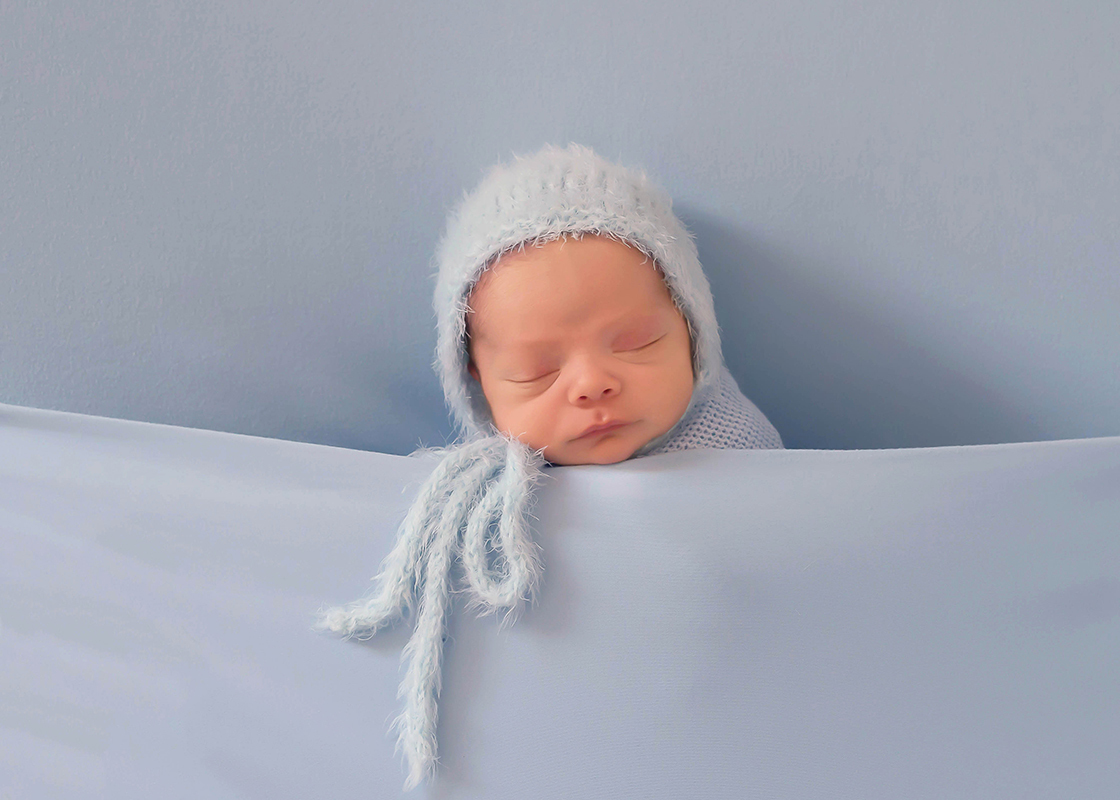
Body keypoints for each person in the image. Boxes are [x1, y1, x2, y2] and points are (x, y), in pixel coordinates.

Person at [316, 144, 782, 789]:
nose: (592, 384)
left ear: (692, 328)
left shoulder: (738, 448)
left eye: (638, 343)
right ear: (479, 384)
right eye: (536, 371)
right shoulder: (481, 501)